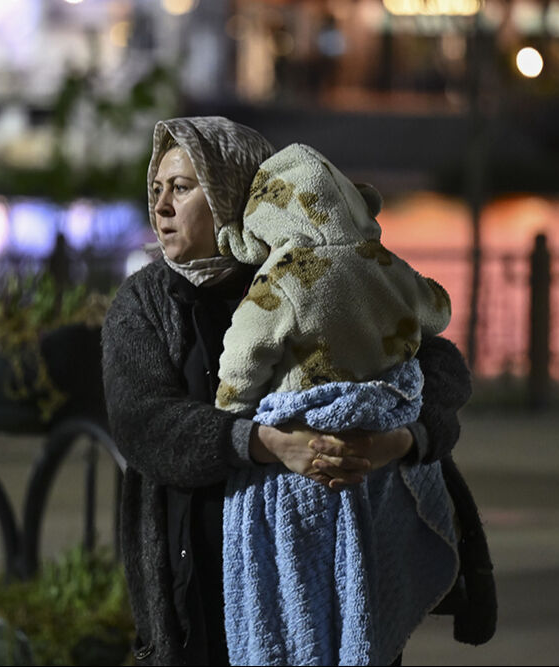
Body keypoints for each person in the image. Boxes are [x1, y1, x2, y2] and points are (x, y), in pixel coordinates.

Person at [101, 116, 475, 666]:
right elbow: (144, 423)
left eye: (181, 187)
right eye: (156, 190)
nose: (160, 207)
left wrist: (399, 439)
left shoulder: (318, 272)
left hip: (336, 571)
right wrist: (266, 443)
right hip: (197, 578)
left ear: (233, 191)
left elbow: (440, 372)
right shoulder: (145, 304)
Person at [214, 142, 458, 665]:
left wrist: (230, 409)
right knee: (363, 599)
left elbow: (242, 360)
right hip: (376, 452)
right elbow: (438, 309)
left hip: (304, 460)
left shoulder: (283, 277)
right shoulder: (386, 266)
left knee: (300, 610)